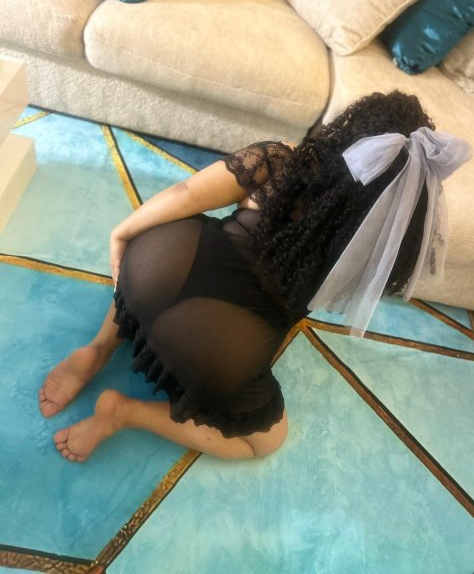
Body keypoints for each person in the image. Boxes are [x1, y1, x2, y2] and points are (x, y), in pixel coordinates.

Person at [37, 90, 472, 463]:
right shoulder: (373, 249)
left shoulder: (281, 159)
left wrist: (122, 234)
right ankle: (125, 413)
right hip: (217, 347)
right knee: (266, 440)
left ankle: (96, 350)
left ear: (348, 128)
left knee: (169, 252)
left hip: (152, 268)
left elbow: (185, 193)